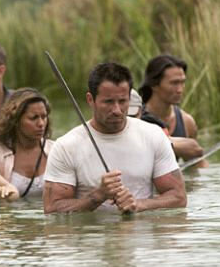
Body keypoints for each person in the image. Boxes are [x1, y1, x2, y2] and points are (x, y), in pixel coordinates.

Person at [43, 62, 187, 214]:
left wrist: (139, 205)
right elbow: (52, 209)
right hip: (90, 235)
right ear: (90, 100)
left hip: (142, 234)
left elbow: (178, 198)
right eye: (108, 102)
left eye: (123, 101)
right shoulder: (66, 146)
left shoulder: (153, 135)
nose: (117, 110)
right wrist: (98, 195)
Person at [0, 88, 54, 199]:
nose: (41, 123)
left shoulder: (57, 151)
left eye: (44, 117)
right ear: (15, 121)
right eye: (33, 118)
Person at [139, 54, 205, 164]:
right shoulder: (136, 118)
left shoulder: (187, 122)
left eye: (182, 82)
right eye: (174, 83)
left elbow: (196, 165)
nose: (180, 89)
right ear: (154, 85)